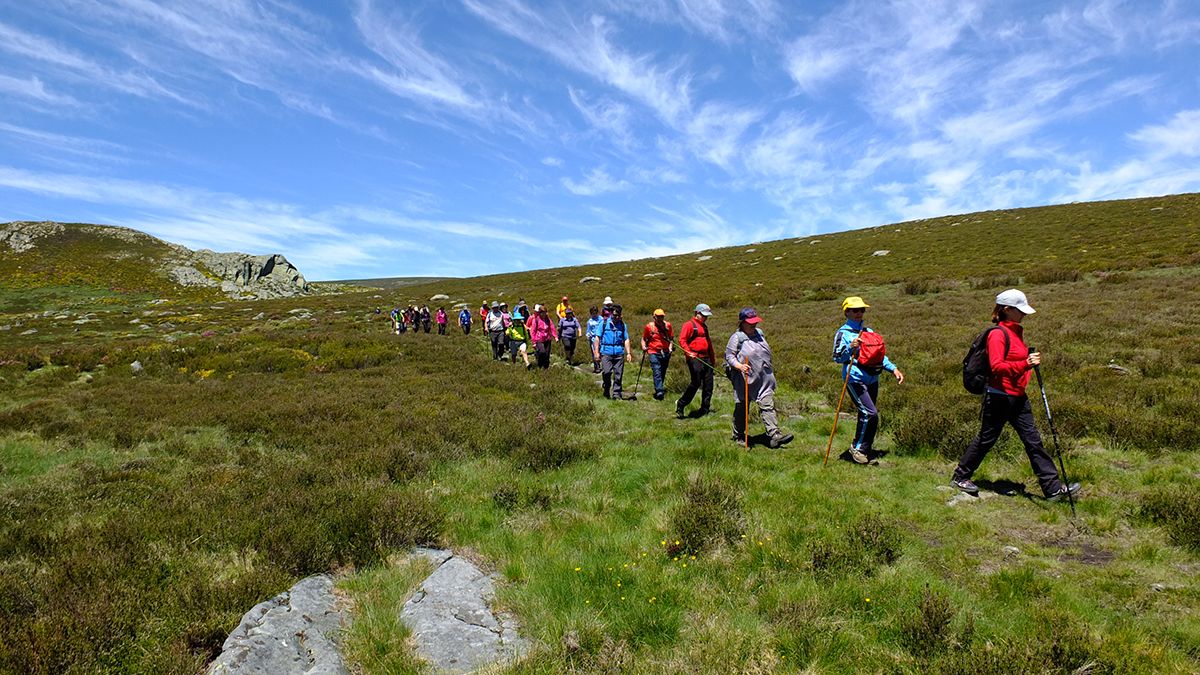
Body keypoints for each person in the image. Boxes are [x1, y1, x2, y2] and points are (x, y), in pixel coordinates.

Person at [951, 290, 1081, 501]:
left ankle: (1053, 489)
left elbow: (1013, 360)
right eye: (1020, 310)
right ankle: (960, 477)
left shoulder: (1015, 333)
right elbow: (997, 366)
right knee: (987, 439)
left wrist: (1026, 361)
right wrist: (1026, 363)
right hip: (999, 397)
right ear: (1007, 310)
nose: (1024, 314)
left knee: (1033, 441)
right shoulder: (997, 335)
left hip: (1018, 397)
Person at [832, 296, 905, 464]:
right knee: (870, 414)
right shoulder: (842, 333)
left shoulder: (869, 332)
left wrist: (893, 369)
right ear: (846, 312)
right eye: (855, 310)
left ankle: (863, 448)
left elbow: (879, 356)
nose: (859, 313)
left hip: (873, 379)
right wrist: (850, 348)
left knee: (866, 414)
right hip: (855, 378)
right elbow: (837, 357)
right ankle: (858, 449)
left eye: (862, 310)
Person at [725, 308, 794, 449]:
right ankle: (739, 435)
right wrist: (739, 366)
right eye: (750, 322)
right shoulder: (737, 338)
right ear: (742, 322)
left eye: (755, 322)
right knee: (742, 408)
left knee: (767, 404)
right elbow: (729, 356)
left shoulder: (759, 333)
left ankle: (774, 434)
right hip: (744, 379)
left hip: (763, 378)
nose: (753, 325)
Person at [675, 303, 715, 418]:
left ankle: (705, 409)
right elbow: (682, 340)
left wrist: (712, 359)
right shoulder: (689, 325)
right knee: (696, 382)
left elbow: (709, 344)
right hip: (695, 358)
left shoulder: (705, 327)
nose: (705, 318)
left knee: (708, 384)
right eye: (703, 315)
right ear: (697, 313)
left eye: (706, 316)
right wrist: (689, 352)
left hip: (706, 358)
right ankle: (681, 404)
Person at [593, 303, 632, 399]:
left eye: (618, 315)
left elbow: (626, 339)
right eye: (614, 315)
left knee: (618, 374)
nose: (616, 317)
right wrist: (596, 352)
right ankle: (606, 387)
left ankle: (616, 394)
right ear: (611, 314)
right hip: (606, 352)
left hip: (619, 352)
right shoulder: (604, 323)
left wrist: (628, 353)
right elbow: (597, 338)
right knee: (607, 372)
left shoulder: (622, 325)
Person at [641, 309, 674, 400]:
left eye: (662, 316)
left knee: (662, 371)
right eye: (658, 316)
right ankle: (659, 391)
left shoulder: (668, 326)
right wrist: (644, 346)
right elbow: (644, 338)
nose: (660, 318)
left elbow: (671, 338)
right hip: (653, 351)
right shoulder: (649, 327)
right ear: (654, 317)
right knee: (657, 370)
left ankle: (659, 387)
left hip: (666, 352)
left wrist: (670, 347)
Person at [527, 303, 558, 369]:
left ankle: (545, 368)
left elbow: (552, 327)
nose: (543, 314)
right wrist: (534, 342)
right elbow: (533, 331)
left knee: (547, 354)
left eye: (545, 312)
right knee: (542, 351)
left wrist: (555, 336)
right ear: (540, 313)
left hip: (547, 339)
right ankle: (539, 363)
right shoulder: (536, 320)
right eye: (542, 313)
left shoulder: (548, 319)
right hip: (539, 339)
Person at [585, 306, 603, 373]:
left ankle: (603, 365)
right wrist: (588, 335)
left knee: (601, 352)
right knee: (594, 352)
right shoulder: (590, 321)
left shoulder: (601, 319)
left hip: (601, 338)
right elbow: (588, 330)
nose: (594, 314)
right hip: (593, 339)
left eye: (595, 312)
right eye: (592, 313)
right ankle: (597, 367)